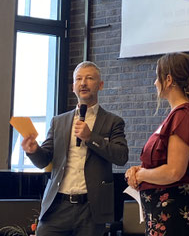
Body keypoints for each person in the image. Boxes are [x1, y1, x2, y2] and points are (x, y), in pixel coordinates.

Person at [21, 61, 129, 236]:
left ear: (100, 85)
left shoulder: (113, 121)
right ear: (73, 87)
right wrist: (33, 150)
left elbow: (121, 156)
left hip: (91, 209)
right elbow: (44, 160)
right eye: (78, 79)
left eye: (89, 78)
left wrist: (90, 138)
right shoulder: (59, 121)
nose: (83, 83)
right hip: (57, 206)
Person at [125, 52, 189, 236]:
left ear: (168, 79)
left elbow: (174, 171)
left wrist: (141, 175)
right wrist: (138, 170)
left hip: (175, 213)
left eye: (157, 77)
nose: (154, 83)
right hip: (163, 211)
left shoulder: (183, 115)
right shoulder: (177, 115)